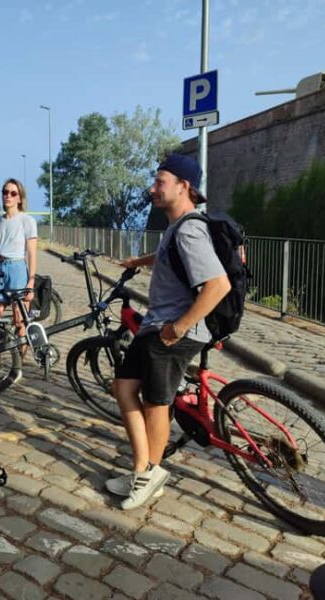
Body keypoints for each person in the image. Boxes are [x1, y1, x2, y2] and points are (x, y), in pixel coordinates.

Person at [107, 154, 231, 510]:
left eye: (160, 181)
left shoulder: (191, 229)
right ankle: (144, 470)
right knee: (123, 386)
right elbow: (166, 253)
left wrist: (177, 327)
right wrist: (137, 262)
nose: (152, 188)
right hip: (157, 326)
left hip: (174, 331)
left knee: (155, 403)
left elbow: (217, 285)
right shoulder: (177, 228)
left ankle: (150, 473)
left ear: (184, 186)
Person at [0, 178, 37, 366]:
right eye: (5, 192)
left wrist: (31, 281)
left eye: (13, 193)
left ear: (20, 198)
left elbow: (31, 253)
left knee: (19, 321)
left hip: (17, 270)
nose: (8, 196)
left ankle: (18, 365)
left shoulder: (27, 221)